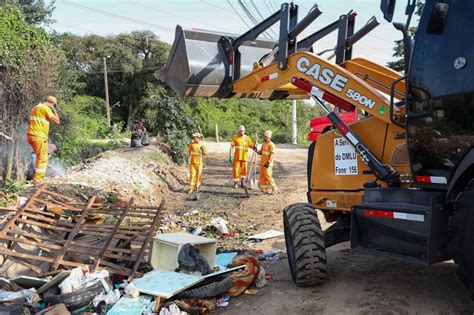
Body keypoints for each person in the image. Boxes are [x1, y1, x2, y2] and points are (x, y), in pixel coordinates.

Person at [26, 96, 60, 184]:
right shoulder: (46, 108)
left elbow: (29, 122)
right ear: (52, 104)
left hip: (31, 136)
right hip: (39, 136)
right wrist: (54, 111)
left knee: (38, 157)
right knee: (42, 159)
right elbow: (57, 121)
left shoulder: (35, 108)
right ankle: (37, 181)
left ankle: (36, 178)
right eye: (54, 106)